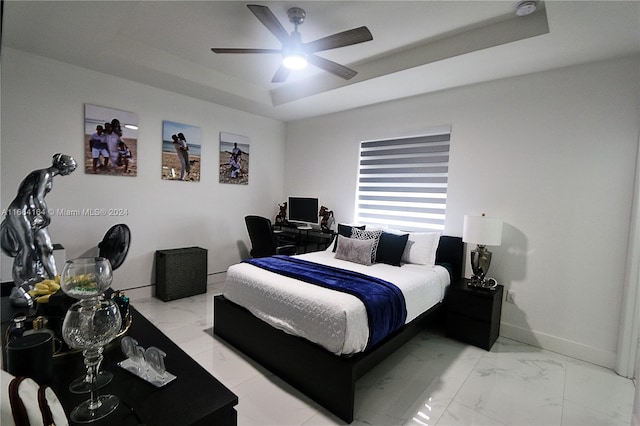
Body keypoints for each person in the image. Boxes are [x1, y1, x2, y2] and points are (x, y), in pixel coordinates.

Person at [0, 153, 77, 290]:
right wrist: (46, 216)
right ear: (64, 167)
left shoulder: (46, 176)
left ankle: (55, 281)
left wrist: (39, 216)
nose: (70, 173)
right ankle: (23, 284)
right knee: (27, 248)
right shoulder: (45, 174)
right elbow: (38, 198)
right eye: (71, 169)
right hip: (19, 211)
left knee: (46, 246)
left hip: (32, 213)